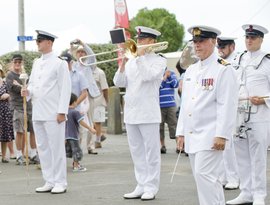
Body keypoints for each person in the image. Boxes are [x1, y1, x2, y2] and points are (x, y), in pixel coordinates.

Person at [175, 25, 238, 205]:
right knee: (206, 180)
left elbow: (227, 104)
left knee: (205, 176)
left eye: (201, 41)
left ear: (214, 42)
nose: (197, 45)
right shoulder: (192, 70)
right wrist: (181, 132)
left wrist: (222, 134)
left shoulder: (224, 69)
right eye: (195, 42)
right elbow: (186, 103)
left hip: (211, 134)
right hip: (193, 134)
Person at [113, 26, 167, 201]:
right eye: (139, 39)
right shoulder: (131, 61)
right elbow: (118, 82)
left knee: (151, 152)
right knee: (136, 152)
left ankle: (151, 187)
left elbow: (148, 77)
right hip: (131, 112)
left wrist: (140, 57)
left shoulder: (159, 60)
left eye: (143, 39)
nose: (139, 42)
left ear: (152, 42)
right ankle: (141, 184)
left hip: (148, 112)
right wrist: (122, 63)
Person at [21, 30, 71, 194]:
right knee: (43, 148)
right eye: (37, 41)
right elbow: (34, 84)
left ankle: (60, 182)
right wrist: (27, 91)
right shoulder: (36, 63)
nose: (37, 43)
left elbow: (65, 88)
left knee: (56, 148)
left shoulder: (60, 63)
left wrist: (62, 111)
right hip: (38, 112)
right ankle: (49, 180)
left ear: (49, 43)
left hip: (53, 112)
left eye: (40, 41)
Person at [226, 24, 270, 205]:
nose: (249, 40)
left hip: (259, 114)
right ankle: (246, 192)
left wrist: (265, 99)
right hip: (239, 113)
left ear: (261, 39)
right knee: (241, 155)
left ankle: (259, 195)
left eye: (253, 37)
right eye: (247, 37)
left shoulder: (267, 61)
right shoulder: (239, 59)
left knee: (258, 156)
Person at [6, 54, 39, 165]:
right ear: (12, 63)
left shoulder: (25, 74)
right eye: (15, 62)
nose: (17, 64)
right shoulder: (9, 75)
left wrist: (21, 85)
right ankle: (19, 155)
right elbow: (14, 88)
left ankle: (33, 153)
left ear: (22, 63)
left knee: (33, 130)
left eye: (19, 62)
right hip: (17, 106)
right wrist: (23, 86)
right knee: (20, 131)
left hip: (29, 106)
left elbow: (31, 87)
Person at [216, 37, 240, 190]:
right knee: (221, 145)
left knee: (231, 145)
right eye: (219, 46)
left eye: (224, 46)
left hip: (236, 107)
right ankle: (224, 176)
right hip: (221, 106)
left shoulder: (238, 61)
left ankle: (234, 177)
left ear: (232, 46)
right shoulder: (219, 62)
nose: (220, 49)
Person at [70, 39, 100, 154]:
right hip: (79, 96)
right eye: (79, 52)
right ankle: (78, 146)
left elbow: (92, 55)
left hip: (90, 94)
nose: (81, 54)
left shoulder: (89, 64)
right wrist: (71, 47)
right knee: (78, 121)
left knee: (91, 121)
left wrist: (83, 44)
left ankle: (90, 146)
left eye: (83, 52)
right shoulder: (74, 66)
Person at [65, 93, 96, 172]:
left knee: (66, 151)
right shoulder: (75, 112)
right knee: (76, 151)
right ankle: (76, 166)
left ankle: (62, 166)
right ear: (75, 102)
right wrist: (90, 128)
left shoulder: (64, 112)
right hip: (74, 135)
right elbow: (81, 122)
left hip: (65, 136)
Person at [159, 69, 179, 154]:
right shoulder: (156, 73)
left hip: (171, 104)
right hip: (159, 105)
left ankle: (179, 146)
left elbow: (175, 84)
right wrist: (164, 77)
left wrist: (169, 76)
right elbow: (158, 87)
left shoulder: (172, 73)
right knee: (160, 127)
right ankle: (162, 146)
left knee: (174, 125)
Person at [92, 65, 109, 149]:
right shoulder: (85, 71)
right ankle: (100, 135)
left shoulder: (100, 73)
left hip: (99, 100)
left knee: (97, 122)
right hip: (88, 100)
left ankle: (98, 141)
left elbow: (105, 88)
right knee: (91, 122)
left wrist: (106, 100)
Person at [0, 66, 14, 163]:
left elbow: (11, 94)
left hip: (5, 111)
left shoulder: (4, 82)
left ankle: (4, 156)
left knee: (4, 135)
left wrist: (8, 95)